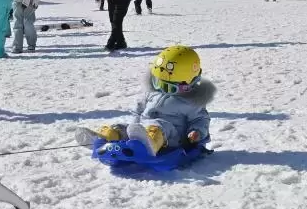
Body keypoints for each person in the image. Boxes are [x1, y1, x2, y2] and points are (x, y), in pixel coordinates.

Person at [75, 45, 215, 157]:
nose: (161, 88)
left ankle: (149, 144)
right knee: (121, 127)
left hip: (171, 138)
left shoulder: (192, 102)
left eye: (168, 87)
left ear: (189, 83)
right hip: (141, 128)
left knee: (158, 126)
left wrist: (196, 132)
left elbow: (201, 120)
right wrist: (132, 128)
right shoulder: (153, 92)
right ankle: (103, 138)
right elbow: (139, 108)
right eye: (158, 82)